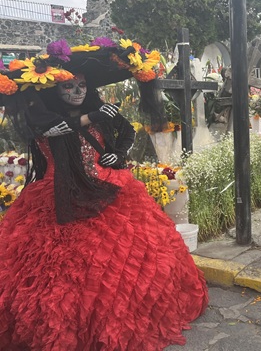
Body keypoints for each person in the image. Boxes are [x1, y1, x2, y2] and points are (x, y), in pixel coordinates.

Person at [0, 38, 208, 350]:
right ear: (55, 89)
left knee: (132, 256)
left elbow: (127, 131)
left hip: (111, 185)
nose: (77, 92)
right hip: (59, 194)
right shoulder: (45, 120)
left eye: (82, 86)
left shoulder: (95, 110)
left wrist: (118, 154)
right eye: (69, 86)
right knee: (65, 271)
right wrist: (93, 117)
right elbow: (63, 129)